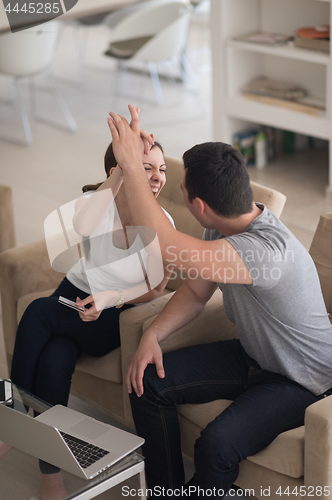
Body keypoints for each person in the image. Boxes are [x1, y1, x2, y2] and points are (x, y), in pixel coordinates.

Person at [106, 104, 332, 499]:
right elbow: (195, 291)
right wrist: (153, 335)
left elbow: (167, 244)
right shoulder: (224, 227)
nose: (176, 190)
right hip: (255, 355)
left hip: (304, 381)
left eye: (182, 189)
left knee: (215, 446)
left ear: (200, 207)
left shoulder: (263, 251)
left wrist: (129, 162)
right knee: (145, 384)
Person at [0, 131, 175, 500]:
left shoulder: (162, 222)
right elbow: (80, 227)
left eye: (161, 169)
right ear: (121, 170)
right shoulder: (96, 203)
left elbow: (157, 289)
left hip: (112, 312)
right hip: (70, 295)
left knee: (37, 312)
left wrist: (111, 298)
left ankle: (7, 424)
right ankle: (51, 477)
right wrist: (118, 176)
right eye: (147, 167)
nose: (158, 176)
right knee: (55, 359)